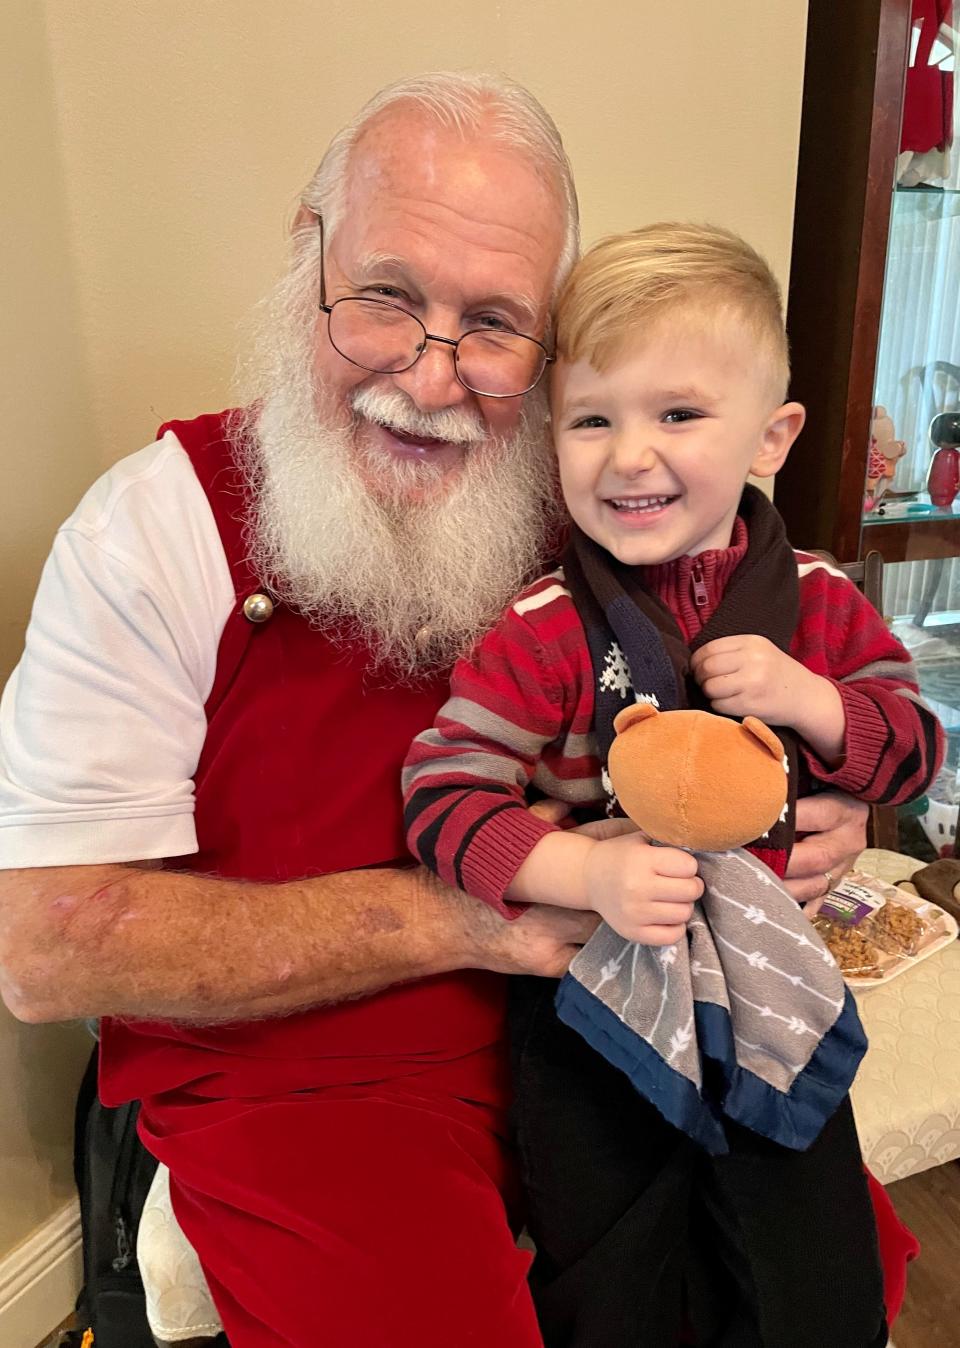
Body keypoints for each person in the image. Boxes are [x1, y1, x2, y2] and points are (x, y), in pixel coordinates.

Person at [0, 76, 871, 1348]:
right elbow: (44, 947)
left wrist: (828, 788)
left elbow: (758, 689)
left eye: (497, 326)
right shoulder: (154, 528)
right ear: (310, 255)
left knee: (804, 1281)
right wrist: (484, 914)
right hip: (303, 1076)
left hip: (606, 1018)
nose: (432, 373)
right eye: (389, 297)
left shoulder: (593, 500)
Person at [404, 224, 943, 1345]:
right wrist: (581, 866)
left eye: (679, 414)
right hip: (592, 1001)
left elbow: (913, 751)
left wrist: (815, 702)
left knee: (810, 1263)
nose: (630, 456)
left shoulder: (820, 603)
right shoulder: (544, 629)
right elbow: (441, 793)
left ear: (772, 436)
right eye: (592, 420)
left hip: (771, 984)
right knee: (613, 1273)